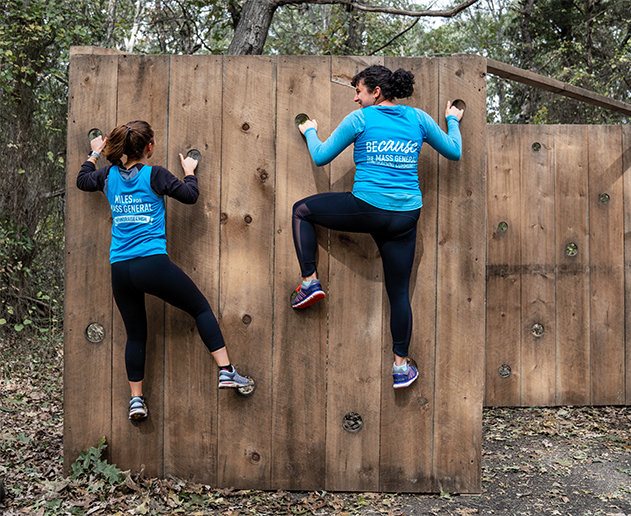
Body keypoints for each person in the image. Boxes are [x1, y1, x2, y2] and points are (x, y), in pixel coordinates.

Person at [292, 65, 464, 389]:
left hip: (366, 209)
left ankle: (310, 282)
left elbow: (320, 156)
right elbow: (454, 151)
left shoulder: (360, 119)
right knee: (399, 293)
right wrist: (452, 120)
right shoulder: (420, 119)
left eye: (358, 91)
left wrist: (309, 130)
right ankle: (401, 367)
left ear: (376, 92)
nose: (356, 98)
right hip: (406, 216)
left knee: (301, 210)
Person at [77, 120, 253, 421]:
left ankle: (136, 400)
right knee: (199, 308)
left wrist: (94, 154)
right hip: (152, 264)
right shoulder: (155, 175)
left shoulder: (107, 176)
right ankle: (226, 371)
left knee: (135, 334)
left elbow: (83, 180)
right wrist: (189, 172)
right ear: (150, 147)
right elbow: (189, 195)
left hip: (120, 268)